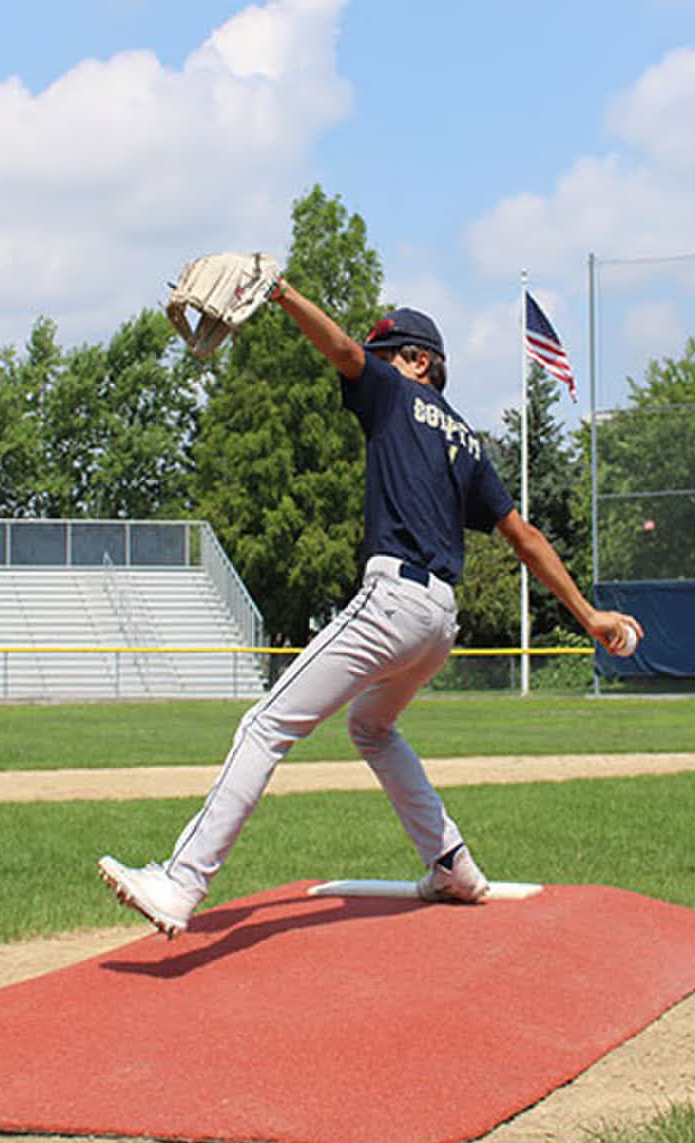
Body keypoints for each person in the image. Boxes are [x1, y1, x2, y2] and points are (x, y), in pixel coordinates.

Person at [98, 280, 643, 937]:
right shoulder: (467, 443)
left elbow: (343, 351)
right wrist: (590, 617)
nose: (374, 364)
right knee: (372, 729)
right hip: (439, 622)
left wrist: (281, 291)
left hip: (393, 601)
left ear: (419, 363)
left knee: (265, 724)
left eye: (390, 355)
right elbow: (523, 537)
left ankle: (181, 883)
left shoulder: (396, 391)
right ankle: (451, 864)